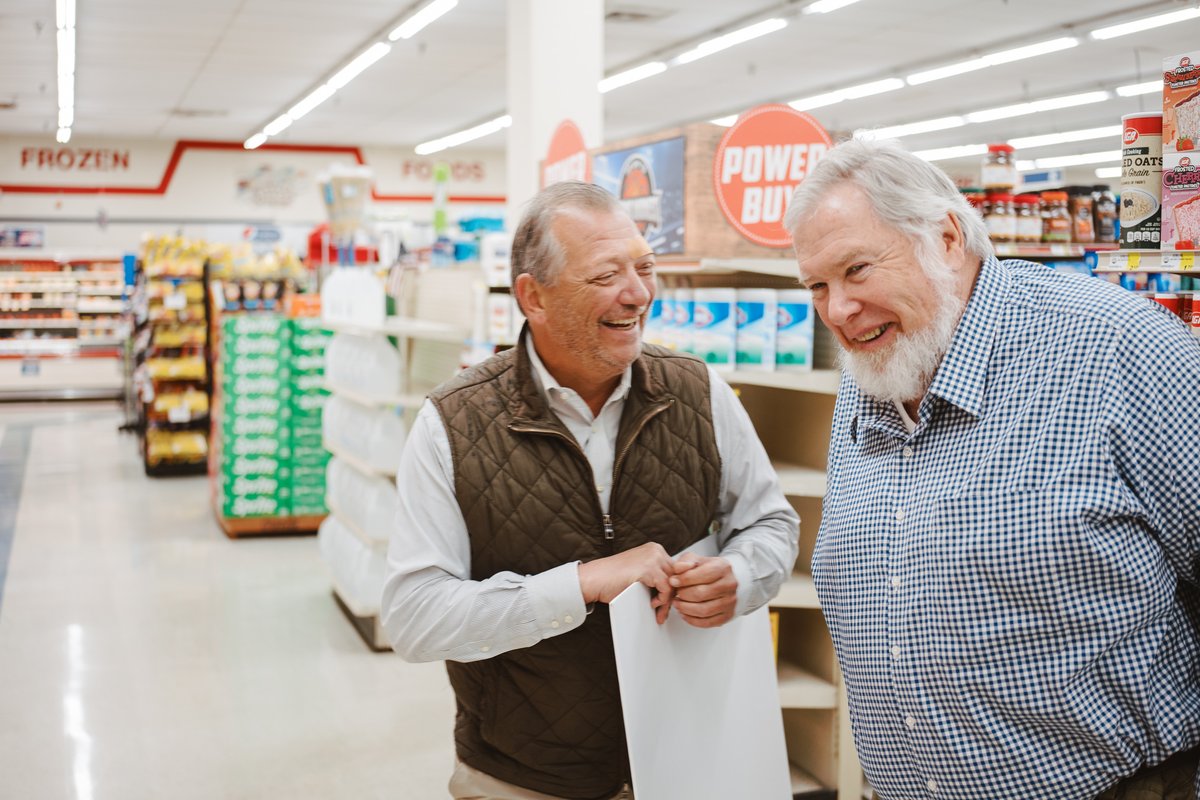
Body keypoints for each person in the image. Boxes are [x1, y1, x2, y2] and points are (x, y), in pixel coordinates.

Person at [782, 137, 1200, 800]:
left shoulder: (1117, 348)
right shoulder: (873, 370)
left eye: (857, 270)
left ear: (946, 238)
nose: (836, 310)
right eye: (817, 286)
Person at [381, 180, 799, 800]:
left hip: (688, 759)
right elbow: (413, 619)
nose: (638, 294)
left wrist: (742, 573)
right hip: (521, 779)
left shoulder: (699, 392)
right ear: (534, 297)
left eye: (645, 267)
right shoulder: (453, 423)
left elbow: (772, 525)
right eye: (606, 275)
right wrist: (577, 585)